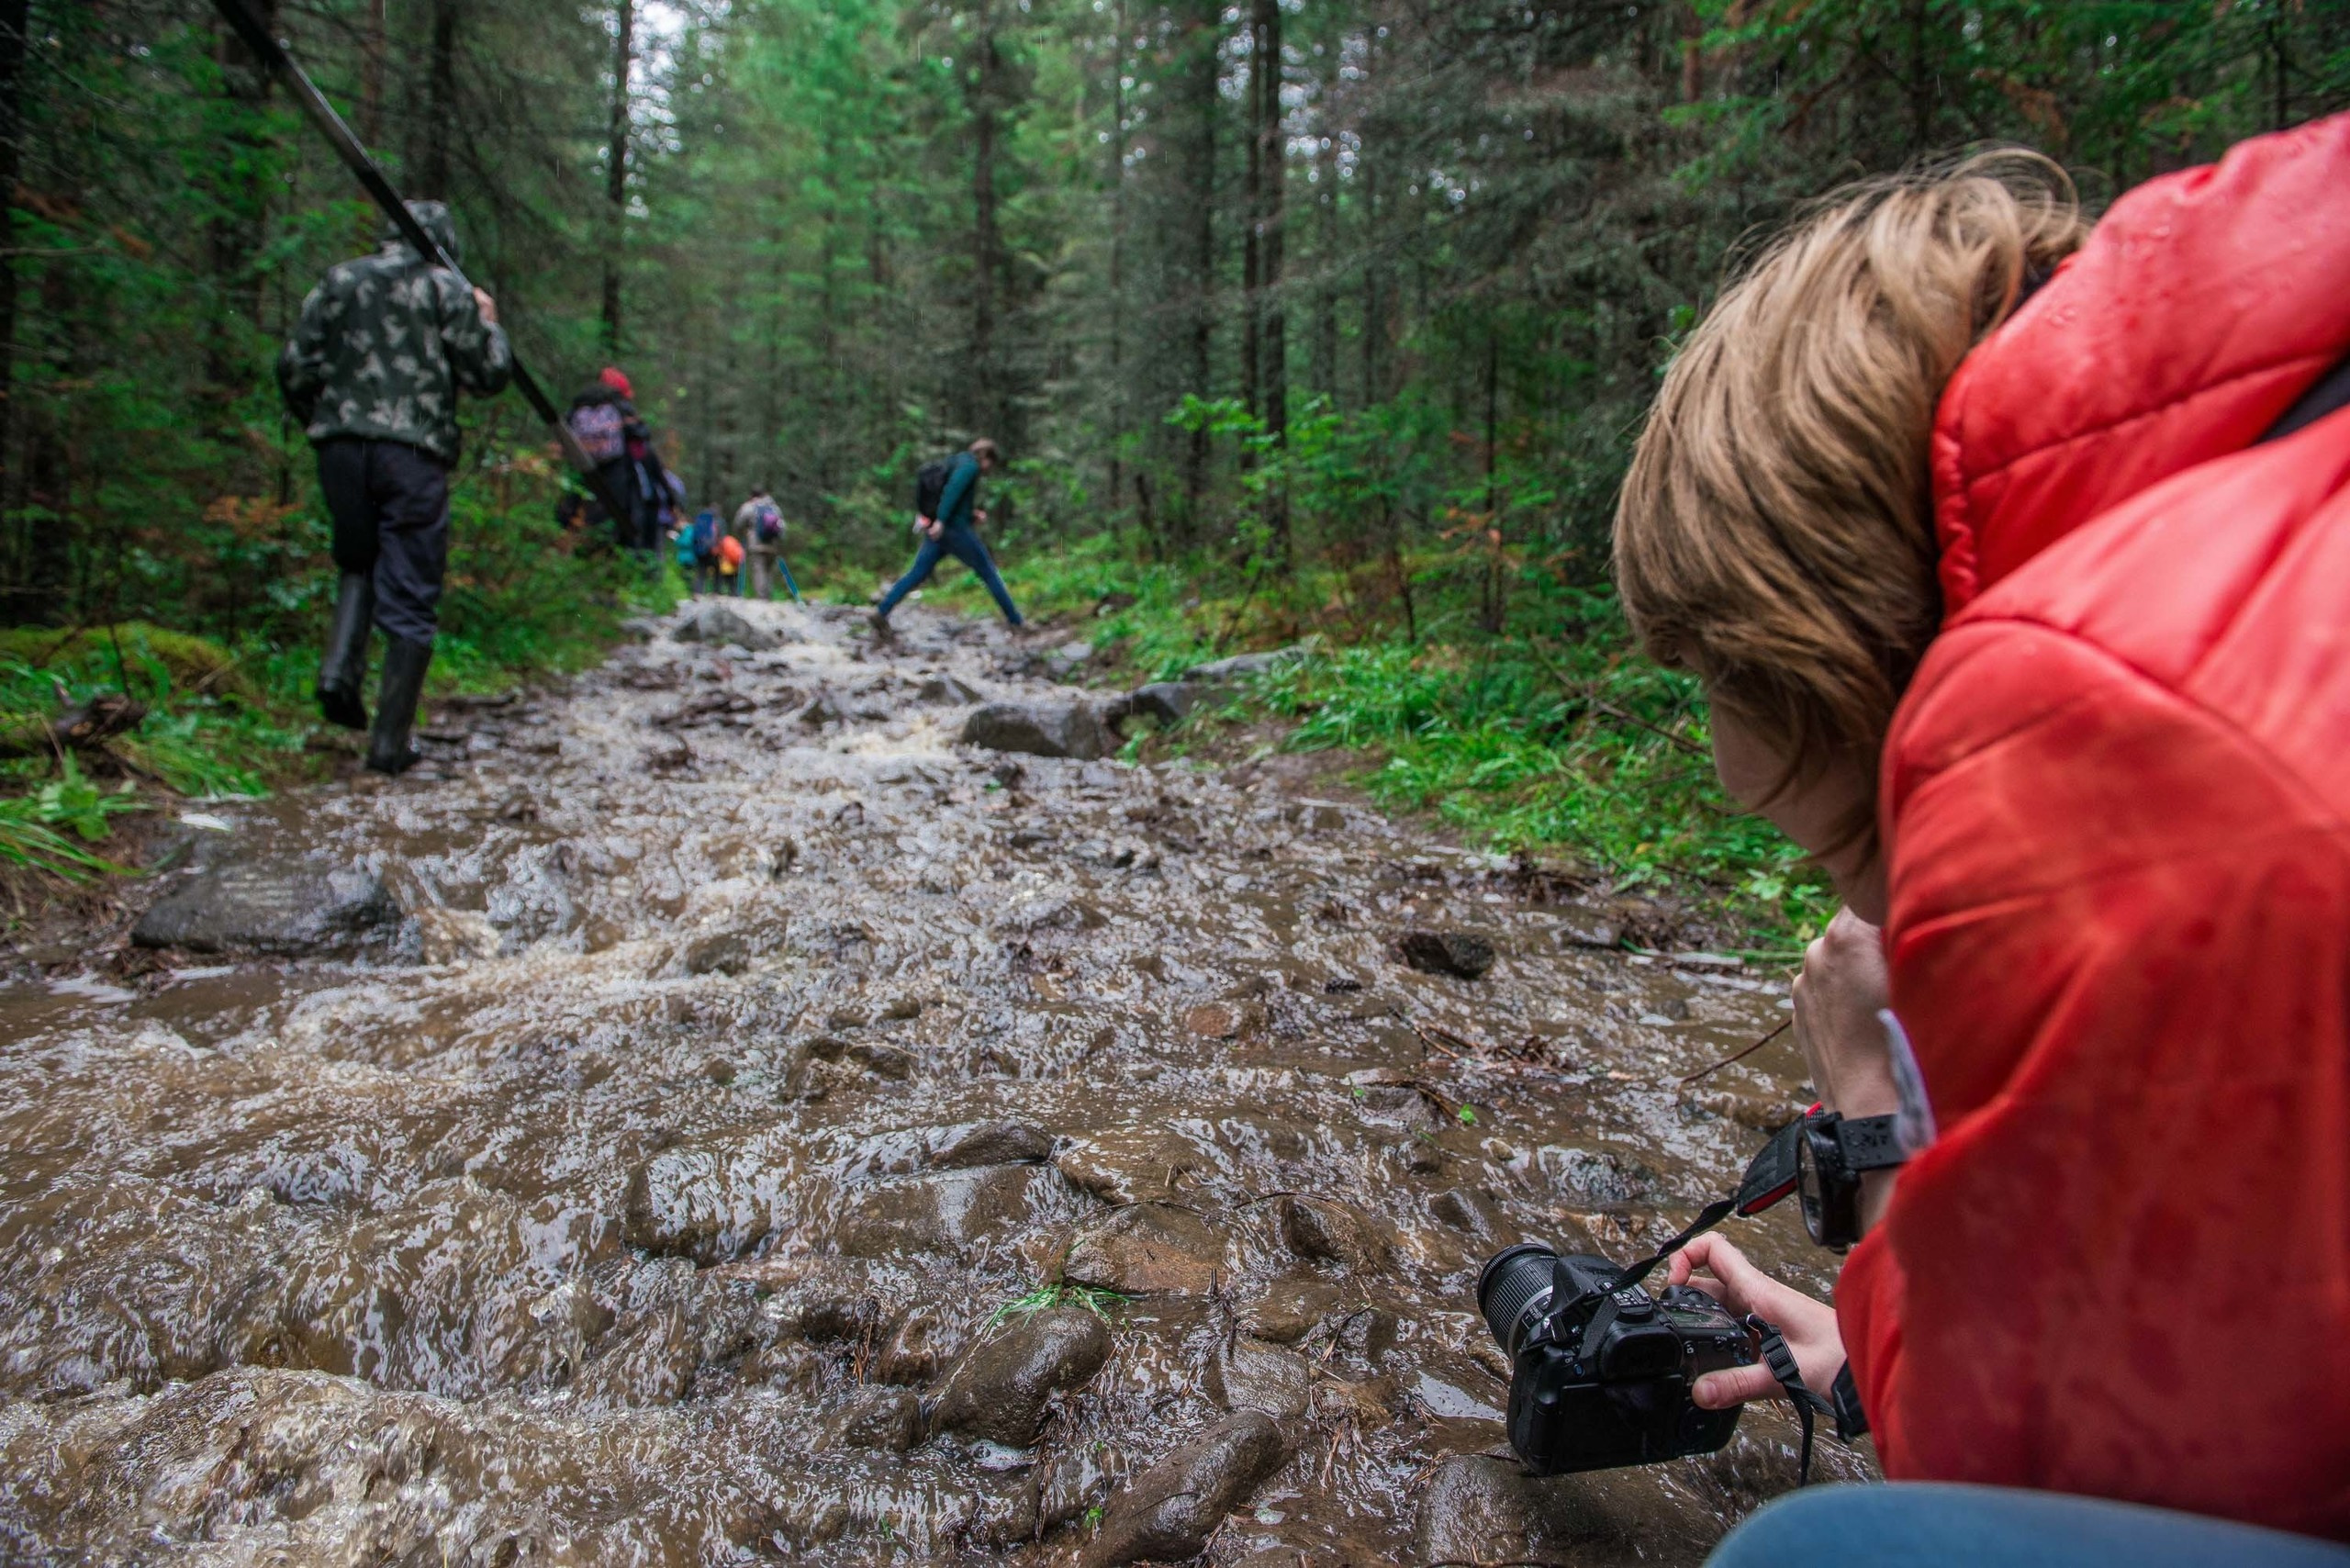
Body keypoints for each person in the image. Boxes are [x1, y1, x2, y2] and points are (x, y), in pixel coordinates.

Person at [1611, 118, 2350, 1562]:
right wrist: (1884, 1337)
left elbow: (2019, 1472)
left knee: (1815, 1557)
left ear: (1810, 642)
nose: (1719, 758)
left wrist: (1875, 1111)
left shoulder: (2087, 715)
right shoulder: (2265, 509)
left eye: (1709, 676)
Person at [277, 199, 510, 775]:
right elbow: (489, 374)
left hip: (341, 449)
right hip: (412, 455)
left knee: (357, 558)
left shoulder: (340, 280)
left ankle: (338, 675)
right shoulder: (445, 291)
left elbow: (292, 366)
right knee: (411, 587)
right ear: (445, 244)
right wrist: (488, 322)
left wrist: (324, 421)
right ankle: (387, 744)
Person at [872, 437, 1023, 631]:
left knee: (917, 573)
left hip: (940, 528)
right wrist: (942, 521)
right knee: (987, 570)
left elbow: (951, 495)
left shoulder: (958, 460)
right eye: (990, 464)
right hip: (954, 530)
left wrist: (969, 514)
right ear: (986, 458)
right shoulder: (970, 467)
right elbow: (952, 491)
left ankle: (881, 611)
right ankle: (1016, 621)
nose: (988, 469)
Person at [565, 367, 669, 557]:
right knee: (619, 519)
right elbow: (642, 433)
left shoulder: (578, 405)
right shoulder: (620, 407)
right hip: (617, 474)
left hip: (582, 471)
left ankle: (580, 560)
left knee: (582, 514)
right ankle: (618, 564)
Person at [733, 486, 787, 601]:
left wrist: (744, 532)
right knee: (769, 571)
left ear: (751, 495)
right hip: (772, 545)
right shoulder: (774, 507)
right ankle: (768, 596)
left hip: (756, 544)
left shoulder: (749, 507)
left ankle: (762, 598)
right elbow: (782, 526)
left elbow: (738, 523)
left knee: (759, 570)